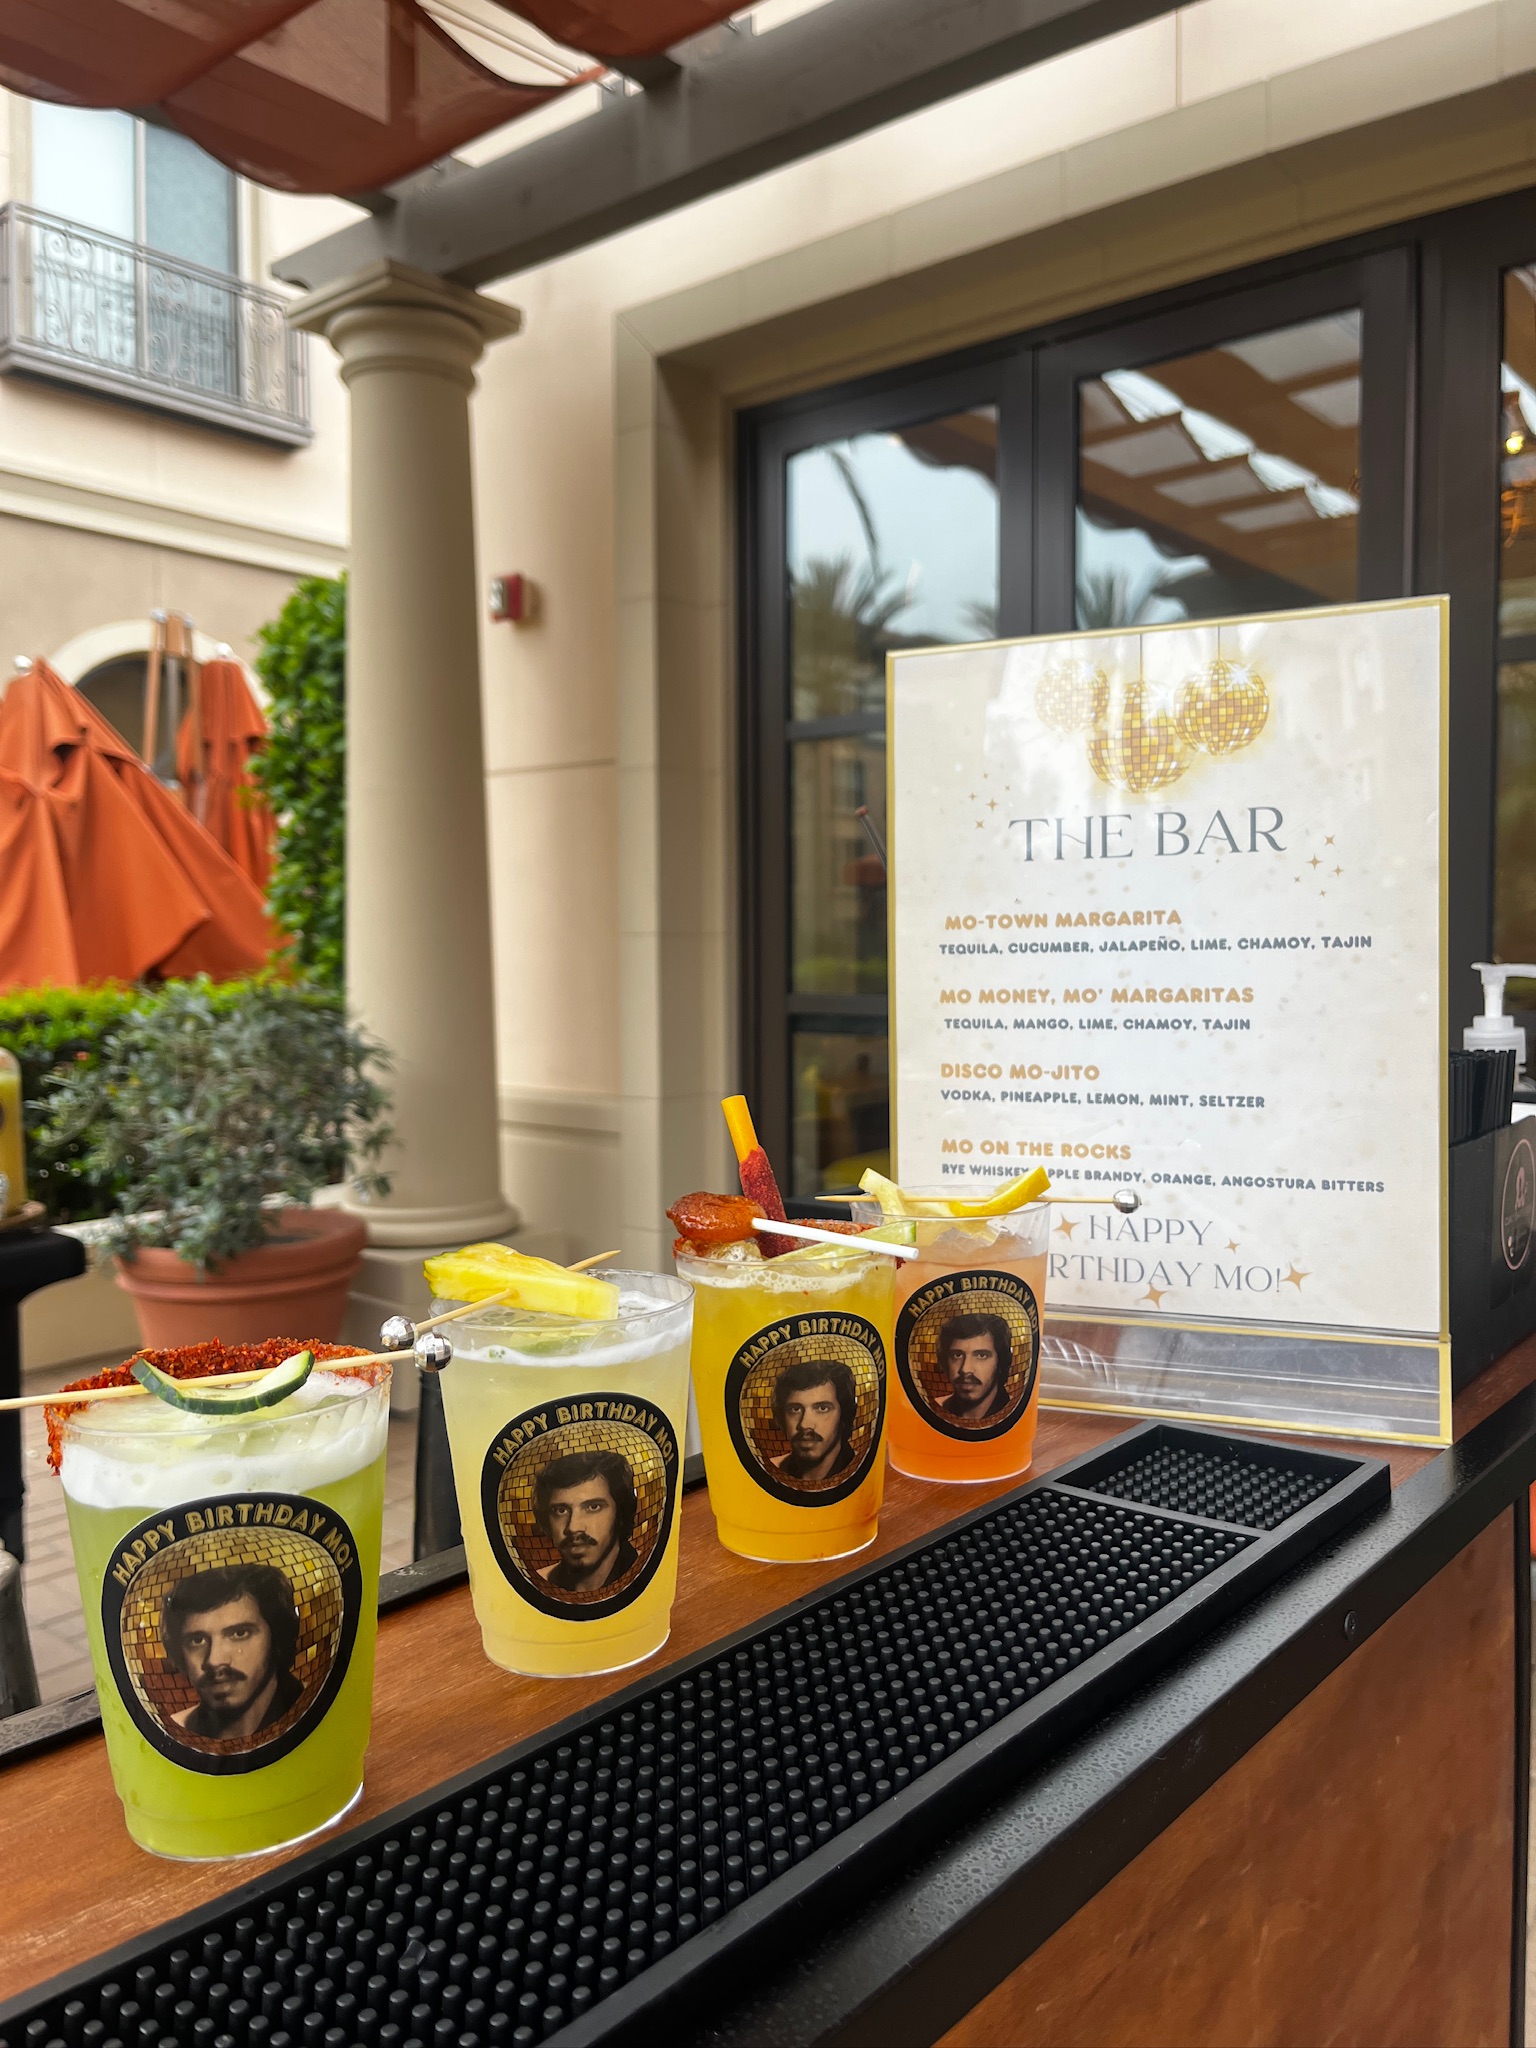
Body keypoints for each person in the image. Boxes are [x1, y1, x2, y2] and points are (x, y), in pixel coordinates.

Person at [160, 1563, 304, 1742]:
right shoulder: (175, 1730)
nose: (214, 1660)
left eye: (239, 1633)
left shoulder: (312, 1706)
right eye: (197, 1640)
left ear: (276, 1637)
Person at [534, 1450, 640, 1593]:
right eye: (561, 1510)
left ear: (620, 1513)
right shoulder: (540, 1582)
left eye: (593, 1507)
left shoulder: (647, 1569)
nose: (573, 1527)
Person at [769, 1357, 858, 1485]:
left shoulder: (860, 1465)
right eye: (795, 1409)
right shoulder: (772, 1468)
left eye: (822, 1408)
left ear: (844, 1414)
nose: (805, 1424)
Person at [934, 1311, 1014, 1424]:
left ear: (1001, 1361)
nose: (965, 1369)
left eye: (981, 1355)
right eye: (957, 1355)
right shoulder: (935, 1408)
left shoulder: (1014, 1409)